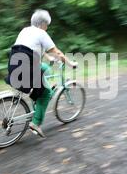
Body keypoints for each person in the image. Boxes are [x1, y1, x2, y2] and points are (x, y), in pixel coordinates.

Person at [9, 9, 77, 138]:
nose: (47, 28)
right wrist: (70, 63)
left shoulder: (25, 30)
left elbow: (35, 47)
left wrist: (48, 58)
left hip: (14, 66)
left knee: (46, 68)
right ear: (42, 24)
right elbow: (57, 52)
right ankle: (36, 123)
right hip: (28, 68)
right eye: (47, 25)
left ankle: (36, 92)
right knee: (46, 94)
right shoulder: (41, 33)